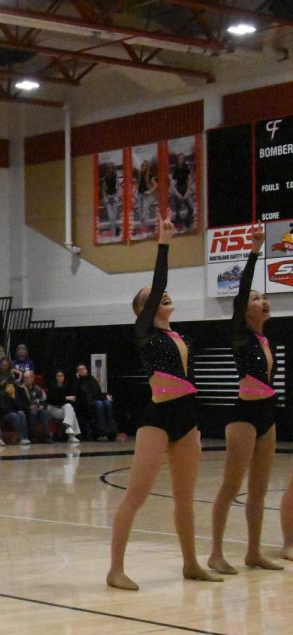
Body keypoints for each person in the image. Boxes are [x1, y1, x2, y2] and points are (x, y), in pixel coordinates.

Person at [107, 217, 220, 591]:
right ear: (142, 309)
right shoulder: (143, 332)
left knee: (185, 499)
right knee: (136, 495)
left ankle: (191, 563)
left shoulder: (179, 335)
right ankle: (115, 569)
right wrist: (164, 245)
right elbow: (158, 287)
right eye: (152, 298)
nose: (161, 298)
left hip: (188, 418)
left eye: (162, 297)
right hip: (157, 419)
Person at [211, 226, 283, 573]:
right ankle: (215, 553)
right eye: (256, 299)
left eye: (262, 297)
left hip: (268, 413)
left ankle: (253, 552)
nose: (261, 301)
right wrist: (254, 252)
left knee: (259, 489)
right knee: (231, 485)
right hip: (244, 415)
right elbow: (240, 293)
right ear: (244, 310)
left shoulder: (265, 339)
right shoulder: (239, 335)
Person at [74, 363, 116, 440]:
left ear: (86, 370)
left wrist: (105, 396)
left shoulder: (92, 379)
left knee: (107, 403)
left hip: (96, 400)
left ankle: (111, 429)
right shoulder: (77, 382)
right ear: (78, 372)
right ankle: (103, 430)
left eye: (83, 369)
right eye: (80, 370)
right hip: (86, 403)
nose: (82, 371)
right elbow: (80, 395)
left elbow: (97, 391)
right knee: (99, 404)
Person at [46, 370, 81, 444]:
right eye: (58, 376)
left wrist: (65, 399)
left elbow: (73, 399)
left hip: (63, 409)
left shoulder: (67, 386)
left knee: (69, 407)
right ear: (56, 377)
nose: (60, 378)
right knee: (71, 412)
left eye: (62, 376)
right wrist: (66, 398)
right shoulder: (52, 386)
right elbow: (53, 400)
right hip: (53, 409)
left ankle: (69, 428)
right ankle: (71, 435)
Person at [0, 381, 30, 445]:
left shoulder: (15, 394)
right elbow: (3, 408)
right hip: (4, 415)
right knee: (14, 415)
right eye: (9, 386)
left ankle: (25, 437)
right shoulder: (1, 394)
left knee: (22, 414)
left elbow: (20, 407)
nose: (11, 388)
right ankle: (20, 437)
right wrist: (14, 409)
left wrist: (13, 397)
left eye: (12, 386)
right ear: (5, 388)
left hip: (13, 412)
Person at [22, 371, 50, 442]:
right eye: (24, 378)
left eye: (27, 378)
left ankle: (46, 436)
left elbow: (45, 401)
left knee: (45, 412)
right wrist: (29, 407)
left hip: (37, 409)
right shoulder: (21, 389)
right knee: (33, 413)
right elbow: (19, 403)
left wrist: (42, 406)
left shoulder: (38, 389)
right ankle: (33, 436)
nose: (25, 379)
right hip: (26, 410)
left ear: (32, 378)